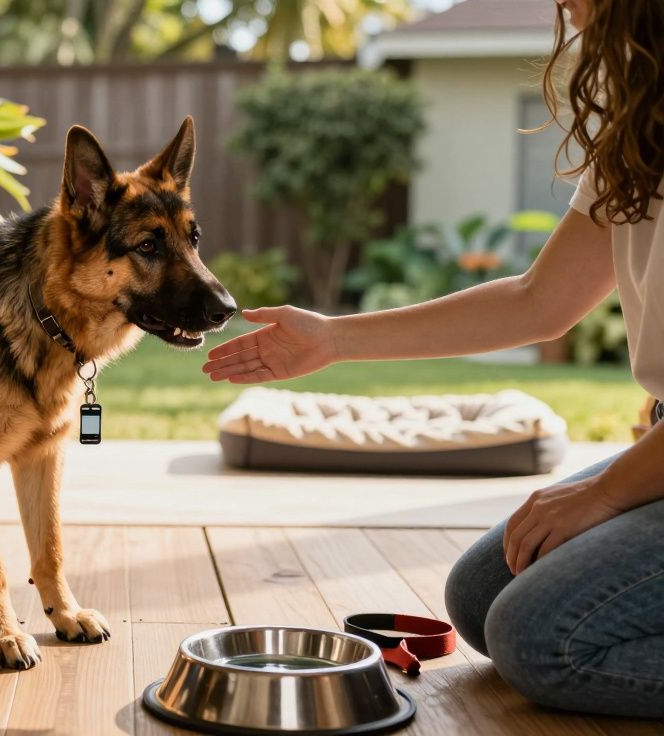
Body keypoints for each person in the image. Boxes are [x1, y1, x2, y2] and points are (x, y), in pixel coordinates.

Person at [201, 0, 663, 718]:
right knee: (482, 597)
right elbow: (536, 300)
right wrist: (333, 338)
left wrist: (605, 493)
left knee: (542, 639)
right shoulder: (643, 125)